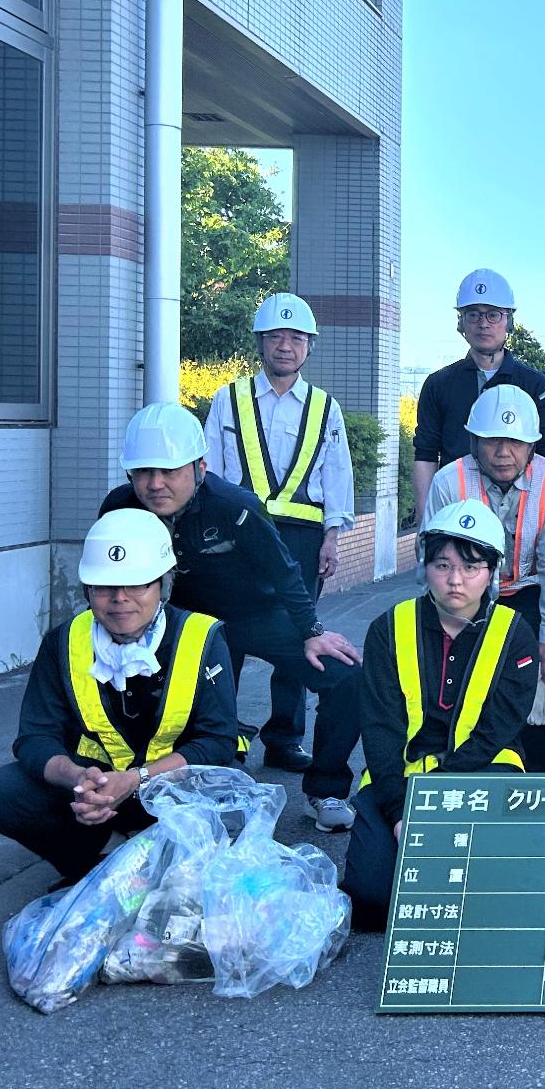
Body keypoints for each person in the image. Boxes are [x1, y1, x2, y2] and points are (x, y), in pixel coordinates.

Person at [100, 403, 365, 832]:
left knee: (346, 674)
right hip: (182, 627)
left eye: (170, 470)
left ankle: (327, 791)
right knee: (159, 695)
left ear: (201, 467)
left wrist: (312, 631)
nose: (156, 483)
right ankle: (149, 791)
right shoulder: (120, 510)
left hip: (257, 614)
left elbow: (285, 572)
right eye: (144, 471)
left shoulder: (234, 506)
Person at [0, 510, 238, 883]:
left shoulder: (202, 637)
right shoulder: (63, 642)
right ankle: (99, 860)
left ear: (162, 585)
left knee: (237, 807)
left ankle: (162, 866)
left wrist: (137, 780)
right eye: (104, 587)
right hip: (92, 797)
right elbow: (35, 737)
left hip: (170, 793)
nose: (120, 599)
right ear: (87, 590)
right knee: (1, 793)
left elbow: (216, 742)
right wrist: (79, 779)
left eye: (136, 585)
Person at [338, 500, 537, 930]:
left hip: (485, 771)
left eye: (472, 567)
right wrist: (398, 811)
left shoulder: (515, 633)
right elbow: (379, 728)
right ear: (424, 565)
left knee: (488, 895)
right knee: (371, 901)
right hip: (398, 779)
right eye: (442, 565)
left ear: (493, 572)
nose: (456, 580)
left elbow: (499, 730)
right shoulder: (388, 628)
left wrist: (434, 803)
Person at [201, 292, 354, 769]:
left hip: (302, 541)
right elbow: (209, 471)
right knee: (226, 636)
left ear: (309, 346)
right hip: (237, 538)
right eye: (275, 336)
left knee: (296, 639)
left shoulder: (325, 407)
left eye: (295, 337)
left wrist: (332, 537)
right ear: (260, 343)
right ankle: (220, 736)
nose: (284, 346)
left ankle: (285, 740)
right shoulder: (230, 398)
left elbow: (337, 475)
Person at [423, 384, 545, 772]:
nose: (503, 452)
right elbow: (432, 561)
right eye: (492, 441)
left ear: (532, 446)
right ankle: (456, 764)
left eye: (515, 442)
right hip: (464, 594)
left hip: (530, 588)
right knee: (460, 676)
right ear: (474, 442)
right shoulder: (449, 482)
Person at [411, 268, 545, 518]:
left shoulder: (534, 385)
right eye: (473, 315)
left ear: (508, 321)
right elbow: (426, 454)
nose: (483, 324)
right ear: (461, 322)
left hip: (518, 512)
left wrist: (538, 515)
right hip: (454, 509)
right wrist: (426, 521)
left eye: (493, 315)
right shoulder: (439, 384)